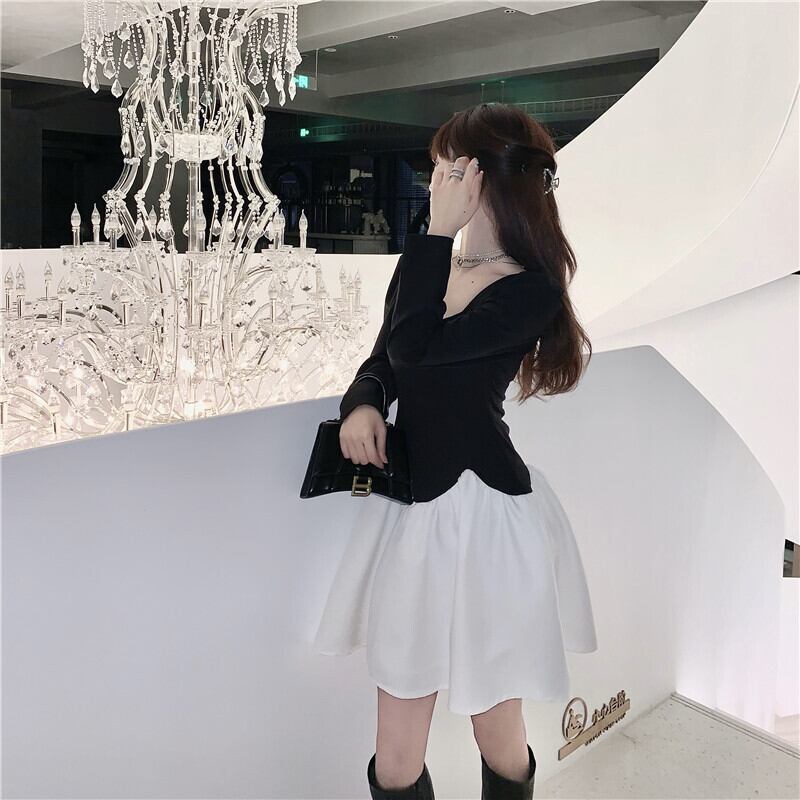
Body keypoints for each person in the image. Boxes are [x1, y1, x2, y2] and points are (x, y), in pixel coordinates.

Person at [312, 102, 598, 799]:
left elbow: (418, 348)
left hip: (490, 518)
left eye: (451, 166)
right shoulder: (429, 261)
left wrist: (436, 235)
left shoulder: (529, 289)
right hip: (416, 515)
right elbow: (386, 358)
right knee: (395, 755)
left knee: (498, 733)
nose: (437, 178)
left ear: (488, 177)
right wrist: (364, 401)